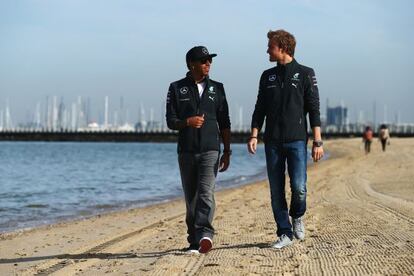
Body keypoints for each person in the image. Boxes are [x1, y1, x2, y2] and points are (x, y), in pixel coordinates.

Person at [247, 29, 323, 249]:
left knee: (299, 187)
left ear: (283, 48)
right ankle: (284, 232)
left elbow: (314, 109)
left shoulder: (306, 73)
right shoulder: (266, 76)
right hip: (272, 141)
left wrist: (317, 141)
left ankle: (297, 215)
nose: (267, 50)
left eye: (270, 46)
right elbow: (259, 108)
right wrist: (254, 134)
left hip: (297, 140)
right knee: (276, 189)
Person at [166, 46, 231, 254]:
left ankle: (205, 234)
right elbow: (170, 121)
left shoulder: (218, 88)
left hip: (211, 150)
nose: (208, 64)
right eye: (204, 61)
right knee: (191, 198)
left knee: (205, 193)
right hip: (186, 150)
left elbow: (225, 122)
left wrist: (227, 151)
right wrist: (188, 122)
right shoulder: (176, 88)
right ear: (191, 64)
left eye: (209, 61)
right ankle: (194, 241)